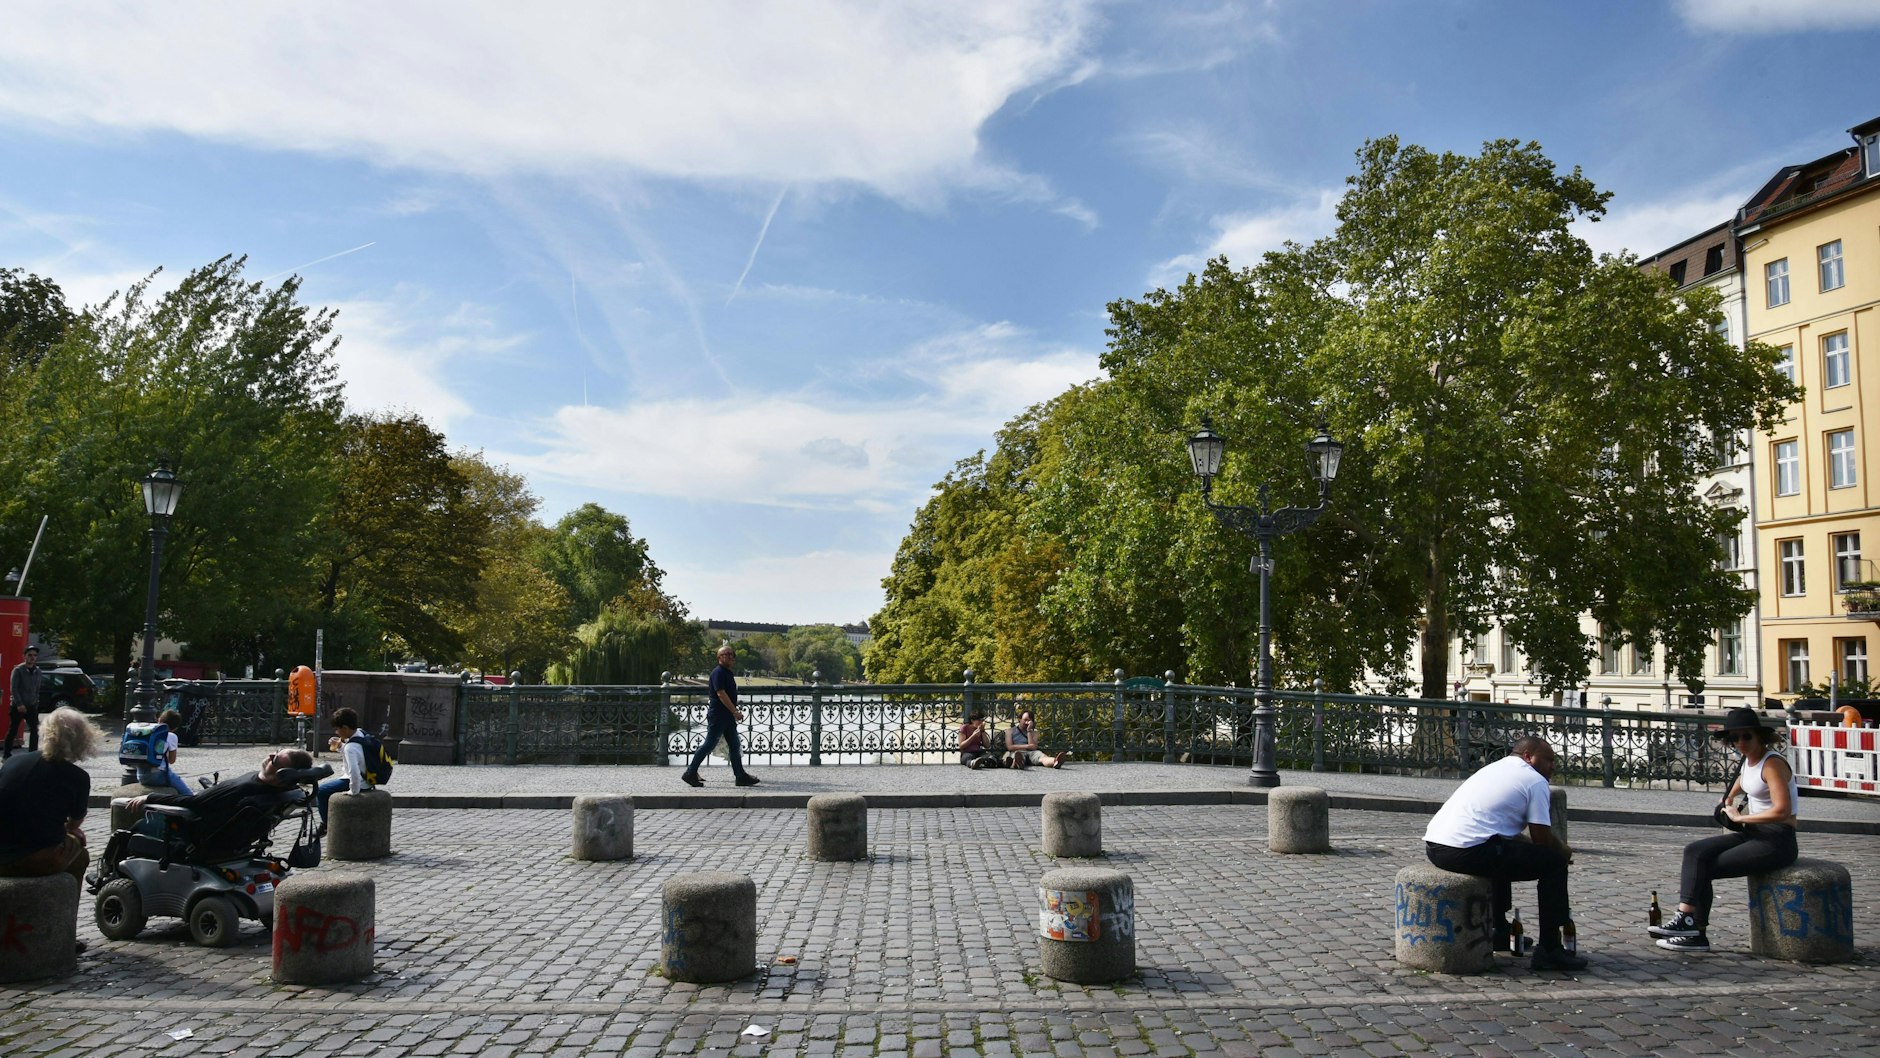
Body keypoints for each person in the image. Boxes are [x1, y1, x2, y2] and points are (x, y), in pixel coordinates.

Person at [1423, 735, 1586, 971]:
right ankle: (1550, 949)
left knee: (1502, 850)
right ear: (1529, 757)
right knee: (1553, 864)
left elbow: (1504, 833)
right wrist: (1563, 850)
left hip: (1437, 846)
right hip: (1465, 850)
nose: (1553, 766)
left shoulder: (1493, 769)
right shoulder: (1534, 780)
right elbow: (1542, 839)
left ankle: (1499, 930)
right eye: (1548, 760)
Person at [1650, 708, 1799, 954]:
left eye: (1746, 736)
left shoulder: (1771, 764)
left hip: (1777, 840)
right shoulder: (1749, 760)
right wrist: (1729, 798)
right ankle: (1687, 923)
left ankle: (1694, 930)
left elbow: (1783, 811)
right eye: (1735, 738)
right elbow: (1744, 781)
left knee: (1704, 868)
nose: (1740, 742)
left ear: (1760, 736)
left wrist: (1742, 816)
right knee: (1695, 851)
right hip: (1755, 833)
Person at [0, 707, 101, 885]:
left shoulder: (13, 762)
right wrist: (69, 830)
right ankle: (67, 912)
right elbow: (74, 824)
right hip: (36, 858)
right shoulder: (77, 777)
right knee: (81, 856)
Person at [681, 646, 759, 787]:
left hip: (726, 716)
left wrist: (732, 712)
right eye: (726, 654)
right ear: (719, 658)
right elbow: (721, 694)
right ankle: (690, 772)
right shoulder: (718, 673)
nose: (730, 656)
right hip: (718, 716)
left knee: (734, 745)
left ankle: (740, 776)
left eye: (732, 654)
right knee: (709, 744)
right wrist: (735, 711)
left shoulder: (727, 673)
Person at [315, 707, 371, 837]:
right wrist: (340, 746)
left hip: (359, 782)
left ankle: (327, 824)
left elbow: (354, 772)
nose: (337, 732)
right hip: (369, 779)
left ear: (345, 728)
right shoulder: (361, 734)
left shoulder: (350, 748)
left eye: (337, 729)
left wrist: (353, 791)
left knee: (321, 791)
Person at [135, 708, 193, 797]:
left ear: (159, 720)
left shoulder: (147, 731)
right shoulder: (171, 736)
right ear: (174, 728)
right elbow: (171, 760)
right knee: (188, 794)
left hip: (140, 775)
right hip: (157, 776)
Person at [5, 644, 43, 758]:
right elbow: (14, 688)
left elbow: (37, 688)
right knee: (13, 730)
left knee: (35, 730)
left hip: (31, 706)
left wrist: (36, 701)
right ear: (24, 656)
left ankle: (32, 754)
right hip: (18, 706)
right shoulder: (18, 670)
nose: (32, 657)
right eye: (30, 655)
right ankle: (7, 754)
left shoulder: (38, 671)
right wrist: (19, 704)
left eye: (35, 655)